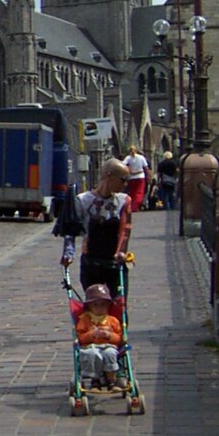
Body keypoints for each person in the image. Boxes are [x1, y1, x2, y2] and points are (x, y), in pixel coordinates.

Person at [57, 158, 133, 297]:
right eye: (123, 179)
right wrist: (68, 253)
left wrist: (121, 251)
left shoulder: (123, 201)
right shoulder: (82, 200)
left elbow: (125, 229)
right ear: (109, 176)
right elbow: (71, 230)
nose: (125, 184)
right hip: (91, 261)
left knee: (118, 305)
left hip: (114, 261)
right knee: (94, 304)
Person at [76, 283, 125, 391]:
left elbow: (119, 339)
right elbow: (80, 338)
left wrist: (109, 336)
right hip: (91, 346)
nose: (99, 308)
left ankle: (111, 381)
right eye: (95, 305)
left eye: (103, 304)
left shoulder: (112, 321)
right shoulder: (85, 320)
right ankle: (95, 381)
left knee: (110, 353)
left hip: (109, 346)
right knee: (92, 354)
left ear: (108, 306)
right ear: (89, 307)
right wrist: (92, 335)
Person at [122, 145, 150, 212]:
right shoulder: (141, 157)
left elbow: (122, 164)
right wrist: (148, 176)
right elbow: (146, 168)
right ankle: (134, 207)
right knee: (139, 193)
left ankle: (131, 206)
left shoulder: (128, 158)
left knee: (132, 193)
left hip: (131, 177)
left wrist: (129, 169)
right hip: (140, 176)